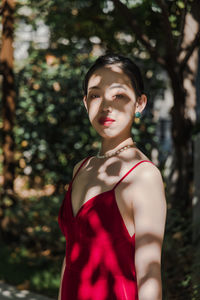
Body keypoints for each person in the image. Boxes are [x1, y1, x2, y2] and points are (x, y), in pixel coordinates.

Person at [58, 53, 167, 300]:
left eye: (118, 95)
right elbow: (70, 258)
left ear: (140, 103)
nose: (106, 105)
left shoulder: (144, 176)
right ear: (86, 103)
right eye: (96, 95)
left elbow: (149, 275)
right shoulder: (81, 168)